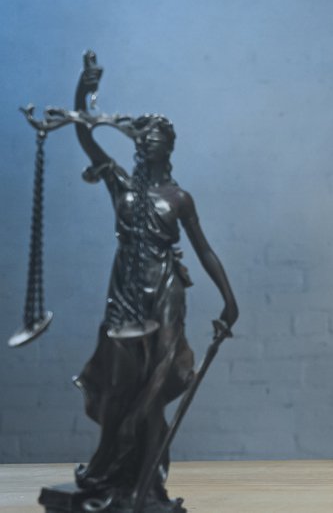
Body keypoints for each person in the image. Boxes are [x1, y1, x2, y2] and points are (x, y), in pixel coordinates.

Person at [63, 52, 239, 507]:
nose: (148, 140)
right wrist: (85, 89)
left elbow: (204, 250)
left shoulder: (179, 197)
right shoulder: (121, 184)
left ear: (169, 145)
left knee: (155, 387)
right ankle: (113, 473)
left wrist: (228, 299)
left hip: (165, 293)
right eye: (144, 135)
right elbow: (84, 131)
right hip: (122, 293)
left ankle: (147, 483)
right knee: (120, 386)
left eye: (156, 134)